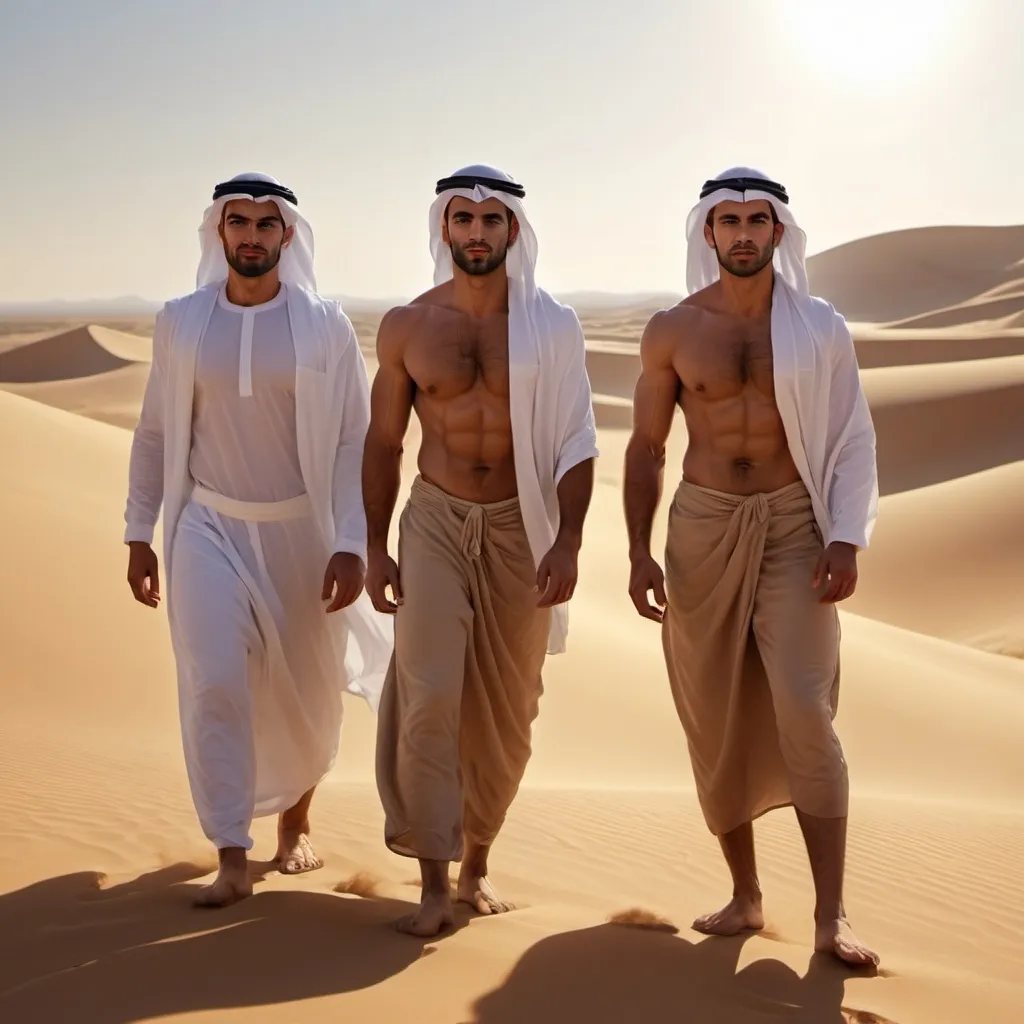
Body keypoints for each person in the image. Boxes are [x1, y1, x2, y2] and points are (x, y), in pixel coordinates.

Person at [623, 167, 879, 966]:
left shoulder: (818, 327)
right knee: (715, 713)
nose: (741, 233)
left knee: (805, 707)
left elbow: (851, 436)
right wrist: (635, 550)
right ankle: (745, 894)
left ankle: (831, 915)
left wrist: (846, 535)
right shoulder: (673, 329)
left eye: (756, 221)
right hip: (700, 531)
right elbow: (648, 445)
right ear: (708, 232)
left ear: (778, 233)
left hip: (795, 529)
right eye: (727, 220)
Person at [123, 172, 392, 908]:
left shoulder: (324, 324)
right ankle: (231, 853)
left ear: (287, 236)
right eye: (236, 223)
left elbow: (350, 441)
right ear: (219, 232)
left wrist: (349, 539)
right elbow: (153, 433)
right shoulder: (181, 321)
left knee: (304, 695)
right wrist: (138, 532)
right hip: (206, 526)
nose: (249, 236)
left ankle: (296, 828)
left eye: (264, 225)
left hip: (302, 534)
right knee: (214, 683)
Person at [364, 163, 599, 937]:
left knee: (508, 707)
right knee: (429, 688)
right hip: (432, 518)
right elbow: (385, 440)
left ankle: (477, 865)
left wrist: (567, 540)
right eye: (461, 218)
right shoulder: (406, 325)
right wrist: (373, 542)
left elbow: (575, 438)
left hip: (519, 527)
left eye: (489, 221)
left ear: (512, 232)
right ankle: (433, 882)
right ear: (444, 228)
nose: (474, 232)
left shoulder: (551, 325)